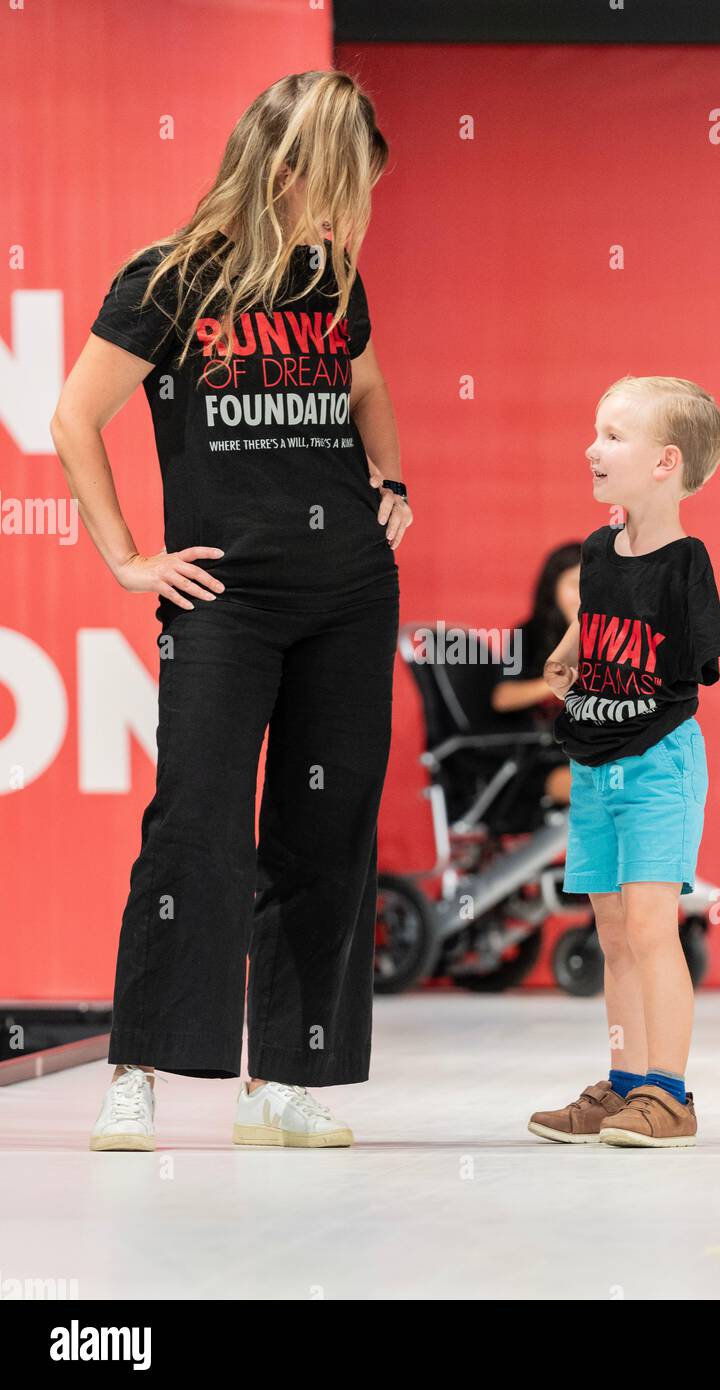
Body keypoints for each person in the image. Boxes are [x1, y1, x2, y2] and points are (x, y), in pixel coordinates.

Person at [49, 71, 413, 1152]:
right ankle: (139, 1068)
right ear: (291, 169)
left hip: (349, 592)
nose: (353, 209)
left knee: (325, 832)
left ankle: (287, 1081)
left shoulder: (332, 281)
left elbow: (368, 388)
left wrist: (391, 482)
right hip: (227, 600)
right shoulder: (167, 280)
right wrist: (125, 558)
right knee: (196, 826)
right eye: (345, 184)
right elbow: (75, 418)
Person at [528, 376, 720, 1148]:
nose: (593, 447)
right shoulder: (595, 550)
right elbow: (597, 621)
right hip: (592, 763)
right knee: (612, 932)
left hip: (656, 765)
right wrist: (571, 651)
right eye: (595, 430)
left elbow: (687, 669)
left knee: (651, 928)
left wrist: (624, 678)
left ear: (665, 463)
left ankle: (669, 1096)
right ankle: (624, 1086)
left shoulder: (686, 562)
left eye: (613, 435)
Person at [490, 542, 582, 808]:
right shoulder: (527, 633)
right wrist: (561, 680)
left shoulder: (609, 637)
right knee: (603, 791)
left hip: (593, 751)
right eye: (574, 585)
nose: (584, 595)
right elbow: (503, 697)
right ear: (553, 587)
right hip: (539, 755)